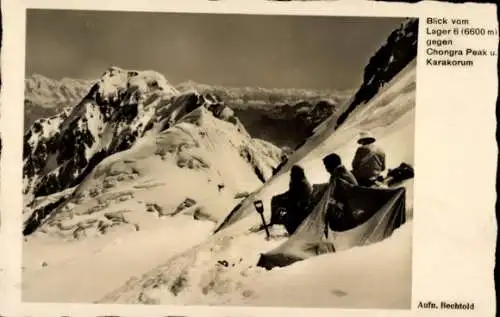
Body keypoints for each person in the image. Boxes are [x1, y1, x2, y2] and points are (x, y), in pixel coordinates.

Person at [282, 165, 314, 235]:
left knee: (286, 218)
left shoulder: (301, 184)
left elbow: (297, 198)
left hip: (302, 211)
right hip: (302, 209)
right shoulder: (300, 182)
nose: (291, 175)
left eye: (292, 173)